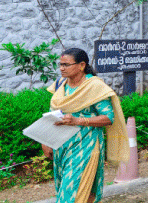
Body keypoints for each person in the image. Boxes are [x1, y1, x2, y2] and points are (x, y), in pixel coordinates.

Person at [42, 48, 127, 203]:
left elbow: (108, 118)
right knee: (68, 189)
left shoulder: (94, 86)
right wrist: (46, 140)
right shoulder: (60, 84)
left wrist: (78, 121)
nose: (62, 68)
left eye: (66, 65)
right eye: (60, 64)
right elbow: (52, 114)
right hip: (62, 146)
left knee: (71, 193)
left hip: (85, 145)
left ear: (81, 65)